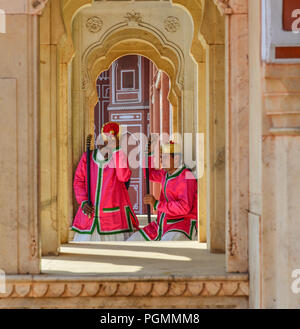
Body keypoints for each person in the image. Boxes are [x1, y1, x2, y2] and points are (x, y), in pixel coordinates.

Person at [72, 121, 139, 241]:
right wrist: (83, 201)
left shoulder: (120, 157)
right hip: (89, 218)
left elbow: (123, 177)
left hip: (113, 219)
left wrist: (117, 151)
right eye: (108, 140)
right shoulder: (88, 157)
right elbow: (79, 181)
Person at [127, 138, 198, 241]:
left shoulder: (186, 176)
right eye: (161, 158)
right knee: (132, 241)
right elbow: (149, 174)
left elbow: (184, 207)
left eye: (165, 158)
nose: (161, 161)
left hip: (180, 225)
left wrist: (156, 204)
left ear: (177, 159)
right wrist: (149, 154)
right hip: (160, 226)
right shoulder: (166, 174)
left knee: (164, 245)